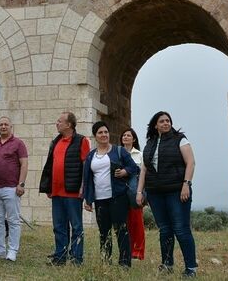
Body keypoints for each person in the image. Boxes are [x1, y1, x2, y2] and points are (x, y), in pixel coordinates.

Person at [137, 111, 198, 278]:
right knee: (164, 230)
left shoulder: (180, 139)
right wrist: (140, 191)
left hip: (177, 191)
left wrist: (186, 184)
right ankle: (167, 264)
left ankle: (191, 268)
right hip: (155, 193)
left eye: (168, 120)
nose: (166, 123)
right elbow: (144, 169)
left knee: (181, 229)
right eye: (162, 121)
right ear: (155, 125)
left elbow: (190, 162)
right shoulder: (150, 142)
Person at [82, 121, 137, 268]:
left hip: (118, 197)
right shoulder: (90, 156)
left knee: (121, 230)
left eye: (106, 132)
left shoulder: (119, 151)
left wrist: (124, 172)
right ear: (95, 136)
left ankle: (124, 263)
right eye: (100, 132)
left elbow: (133, 167)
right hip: (100, 200)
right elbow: (87, 179)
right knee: (104, 232)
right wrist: (88, 199)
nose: (104, 135)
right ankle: (106, 262)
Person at [39, 111, 91, 266]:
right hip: (56, 192)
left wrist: (84, 187)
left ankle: (76, 259)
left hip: (73, 192)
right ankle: (60, 257)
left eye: (59, 121)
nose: (57, 123)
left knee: (76, 226)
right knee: (59, 226)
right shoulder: (55, 141)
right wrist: (48, 187)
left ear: (69, 124)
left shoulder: (81, 141)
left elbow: (85, 166)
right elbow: (50, 166)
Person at [0, 116, 28, 262]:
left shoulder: (18, 144)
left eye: (6, 124)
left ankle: (12, 250)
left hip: (11, 188)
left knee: (13, 220)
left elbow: (24, 164)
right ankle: (0, 249)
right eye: (0, 124)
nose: (3, 126)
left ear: (11, 126)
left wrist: (21, 184)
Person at [120, 127, 145, 260]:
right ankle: (127, 251)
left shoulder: (140, 155)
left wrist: (141, 192)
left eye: (128, 135)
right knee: (125, 223)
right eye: (124, 135)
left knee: (137, 222)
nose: (125, 137)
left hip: (135, 192)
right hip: (121, 192)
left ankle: (138, 252)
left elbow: (143, 174)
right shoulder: (117, 153)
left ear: (134, 139)